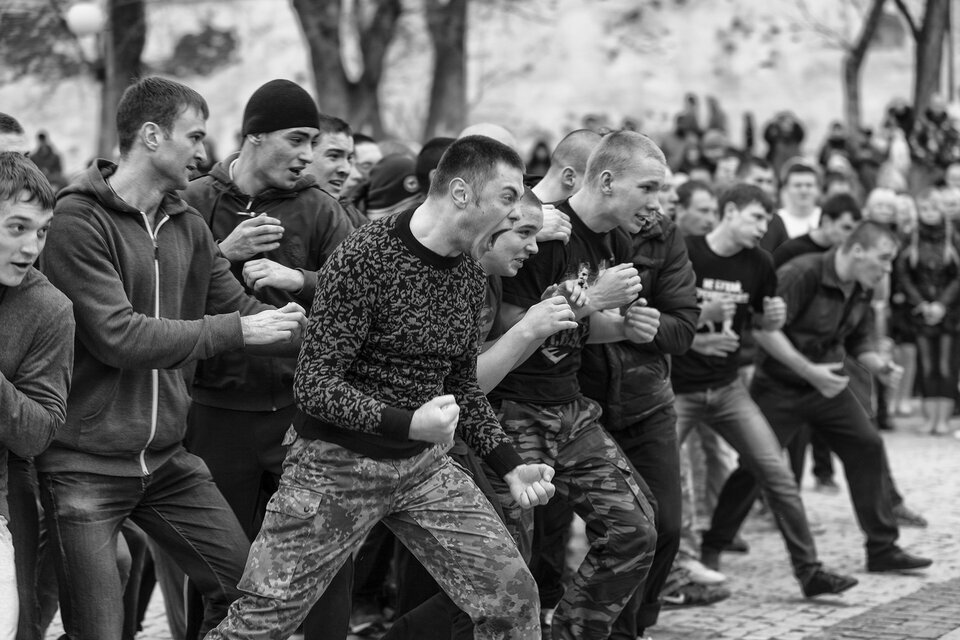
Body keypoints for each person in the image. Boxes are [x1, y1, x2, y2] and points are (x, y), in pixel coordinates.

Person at [206, 135, 557, 640]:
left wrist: (510, 463)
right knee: (261, 624)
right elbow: (315, 384)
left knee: (513, 599)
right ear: (461, 193)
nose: (516, 212)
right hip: (333, 466)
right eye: (506, 197)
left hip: (421, 469)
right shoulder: (366, 256)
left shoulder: (469, 270)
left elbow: (459, 381)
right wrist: (408, 421)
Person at [39, 76, 309, 640]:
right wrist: (239, 329)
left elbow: (240, 308)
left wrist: (316, 328)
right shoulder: (76, 221)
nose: (206, 153)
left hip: (167, 464)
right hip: (85, 467)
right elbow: (119, 336)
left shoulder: (188, 225)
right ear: (153, 135)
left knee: (247, 596)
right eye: (195, 136)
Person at [180, 78, 356, 640]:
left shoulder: (322, 211)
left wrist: (298, 278)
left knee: (326, 558)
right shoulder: (193, 201)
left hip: (300, 417)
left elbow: (369, 298)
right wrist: (222, 254)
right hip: (213, 414)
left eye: (314, 142)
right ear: (253, 136)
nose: (308, 156)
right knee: (218, 574)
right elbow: (154, 297)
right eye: (298, 139)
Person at [488, 130, 664, 640]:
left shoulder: (618, 240)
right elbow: (505, 325)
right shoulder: (544, 230)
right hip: (510, 412)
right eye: (647, 188)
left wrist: (626, 326)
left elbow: (581, 332)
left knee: (635, 530)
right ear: (606, 181)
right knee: (504, 570)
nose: (655, 205)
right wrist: (592, 301)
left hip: (569, 407)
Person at [671, 183, 858, 599]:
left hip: (728, 387)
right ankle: (672, 574)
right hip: (678, 389)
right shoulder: (686, 250)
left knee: (778, 476)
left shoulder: (761, 263)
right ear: (731, 211)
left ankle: (810, 571)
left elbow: (763, 325)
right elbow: (659, 316)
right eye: (756, 217)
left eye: (768, 220)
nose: (763, 227)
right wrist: (701, 320)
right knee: (665, 481)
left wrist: (773, 318)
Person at [732, 221, 934, 573]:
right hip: (779, 386)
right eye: (883, 259)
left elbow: (858, 340)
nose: (888, 269)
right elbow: (764, 331)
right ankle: (716, 542)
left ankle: (882, 548)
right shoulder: (801, 272)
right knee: (755, 466)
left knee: (868, 445)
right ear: (858, 251)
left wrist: (879, 366)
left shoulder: (863, 285)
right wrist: (808, 370)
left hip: (828, 386)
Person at [0, 151, 74, 640]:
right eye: (16, 227)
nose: (31, 247)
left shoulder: (49, 309)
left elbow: (38, 433)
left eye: (41, 231)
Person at [894, 190, 960, 435]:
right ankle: (929, 417)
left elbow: (957, 277)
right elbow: (903, 275)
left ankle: (943, 418)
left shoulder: (953, 239)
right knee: (926, 364)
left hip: (949, 313)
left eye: (934, 208)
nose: (930, 213)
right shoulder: (911, 239)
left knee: (945, 365)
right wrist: (921, 303)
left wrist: (942, 304)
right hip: (920, 311)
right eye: (925, 209)